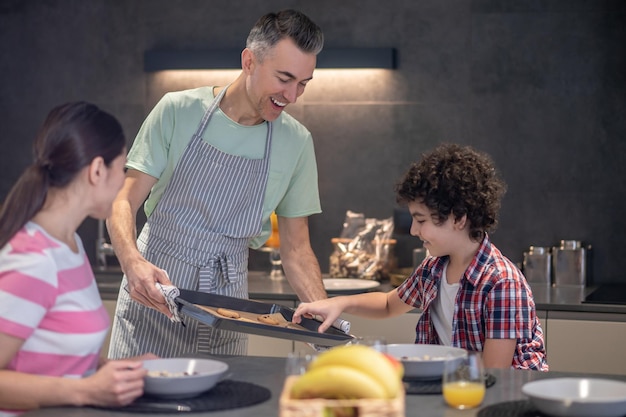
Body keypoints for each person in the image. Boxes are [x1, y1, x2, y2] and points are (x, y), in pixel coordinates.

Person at [107, 9, 328, 359]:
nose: (292, 95)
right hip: (154, 294)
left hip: (227, 308)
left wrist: (322, 315)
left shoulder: (296, 142)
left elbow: (297, 250)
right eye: (284, 78)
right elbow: (123, 200)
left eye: (303, 83)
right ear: (249, 61)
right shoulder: (178, 110)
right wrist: (131, 262)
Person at [294, 144, 549, 371]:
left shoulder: (501, 282)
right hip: (456, 387)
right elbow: (388, 304)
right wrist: (339, 304)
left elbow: (495, 369)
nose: (414, 231)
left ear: (459, 218)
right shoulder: (434, 268)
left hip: (502, 401)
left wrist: (421, 365)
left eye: (421, 220)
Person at [0, 102, 157, 416]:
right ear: (97, 170)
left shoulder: (69, 246)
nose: (122, 181)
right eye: (122, 168)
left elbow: (54, 356)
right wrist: (87, 391)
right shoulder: (34, 260)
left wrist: (116, 370)